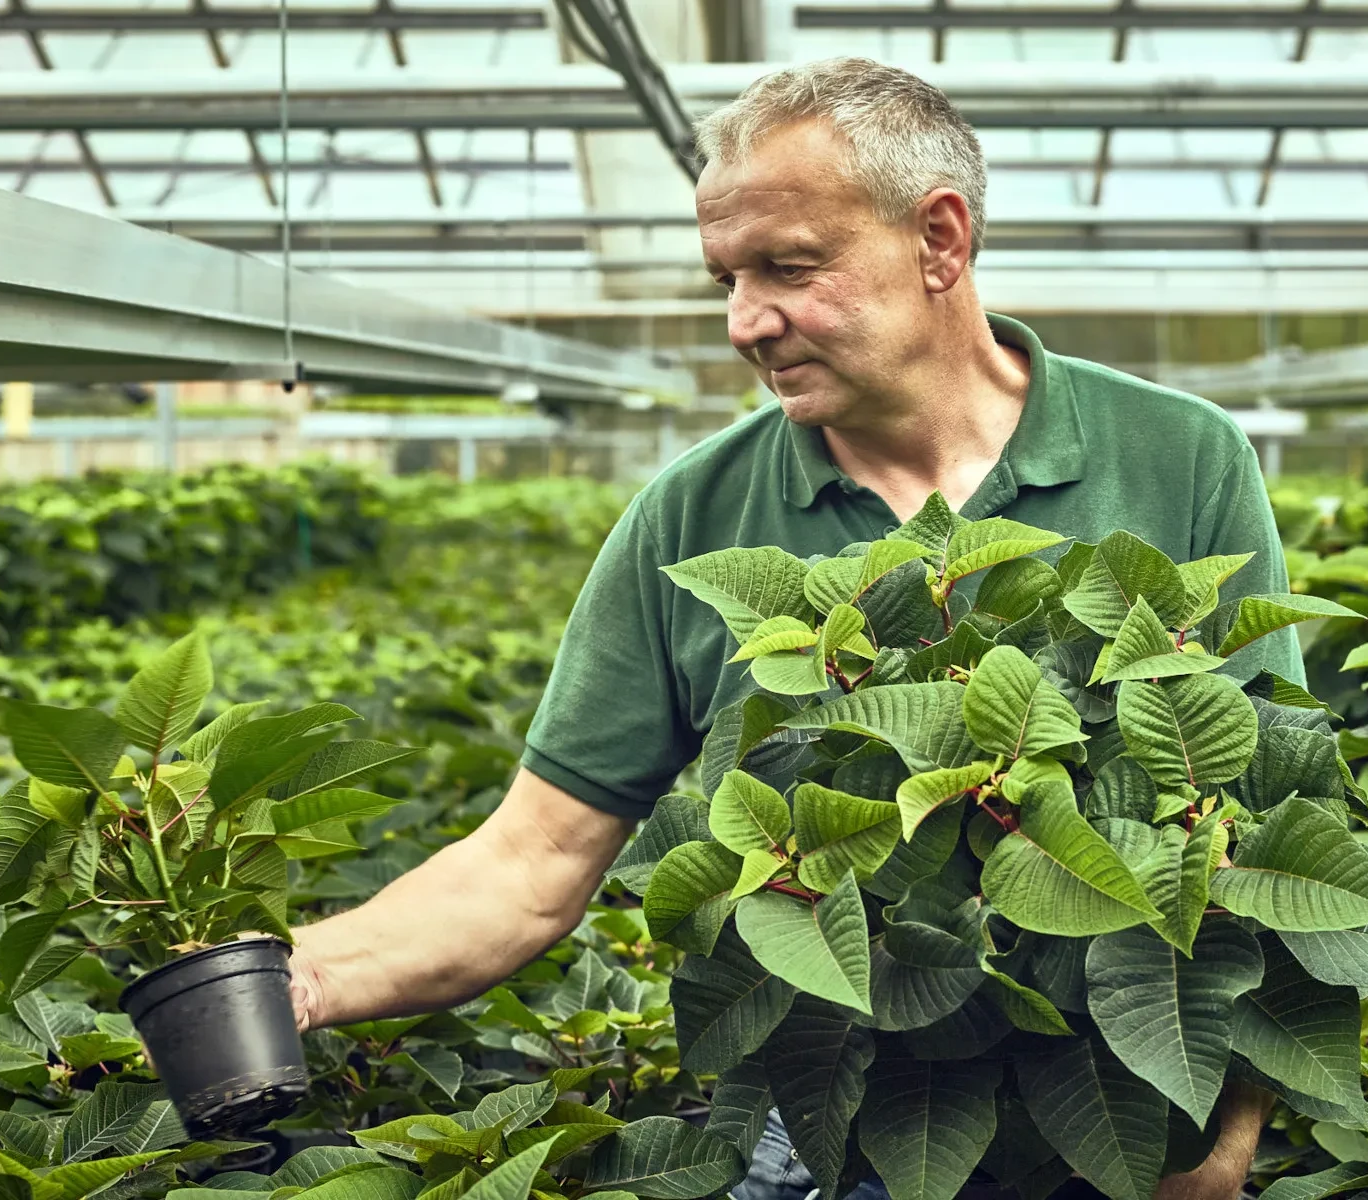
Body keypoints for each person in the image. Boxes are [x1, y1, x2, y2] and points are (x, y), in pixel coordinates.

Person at [288, 56, 1299, 1200]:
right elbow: (528, 865)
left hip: (1118, 1116)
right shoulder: (695, 518)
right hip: (823, 1131)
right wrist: (296, 980)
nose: (743, 322)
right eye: (725, 277)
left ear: (940, 242)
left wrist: (1227, 1133)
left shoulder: (1177, 457)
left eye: (788, 269)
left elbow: (1257, 818)